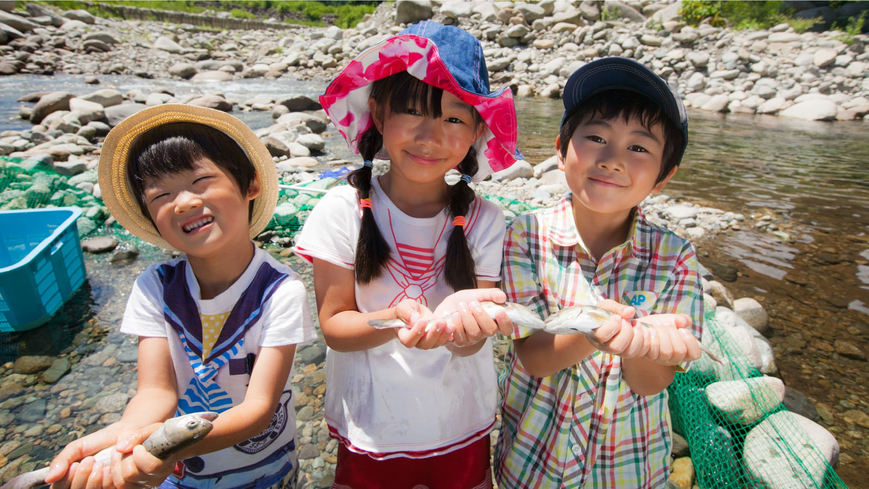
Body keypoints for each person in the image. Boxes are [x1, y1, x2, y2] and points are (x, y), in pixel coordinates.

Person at [292, 21, 522, 488]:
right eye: (413, 111)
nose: (430, 136)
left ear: (477, 129)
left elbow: (474, 340)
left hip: (459, 422)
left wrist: (463, 330)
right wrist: (396, 318)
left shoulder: (486, 220)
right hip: (372, 425)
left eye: (454, 119)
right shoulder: (341, 210)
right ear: (377, 115)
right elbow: (335, 328)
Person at [44, 104, 316, 489]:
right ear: (149, 214)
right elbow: (156, 391)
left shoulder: (281, 291)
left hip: (263, 472)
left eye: (201, 180)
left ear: (250, 184)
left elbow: (258, 409)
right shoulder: (154, 287)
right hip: (179, 475)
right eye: (161, 195)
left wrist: (163, 448)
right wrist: (129, 438)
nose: (185, 201)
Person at [494, 57, 705, 488]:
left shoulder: (675, 256)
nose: (612, 159)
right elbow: (533, 357)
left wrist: (639, 345)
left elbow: (651, 383)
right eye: (595, 137)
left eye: (639, 148)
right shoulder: (527, 236)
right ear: (560, 148)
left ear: (664, 177)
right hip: (534, 463)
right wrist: (597, 329)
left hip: (628, 470)